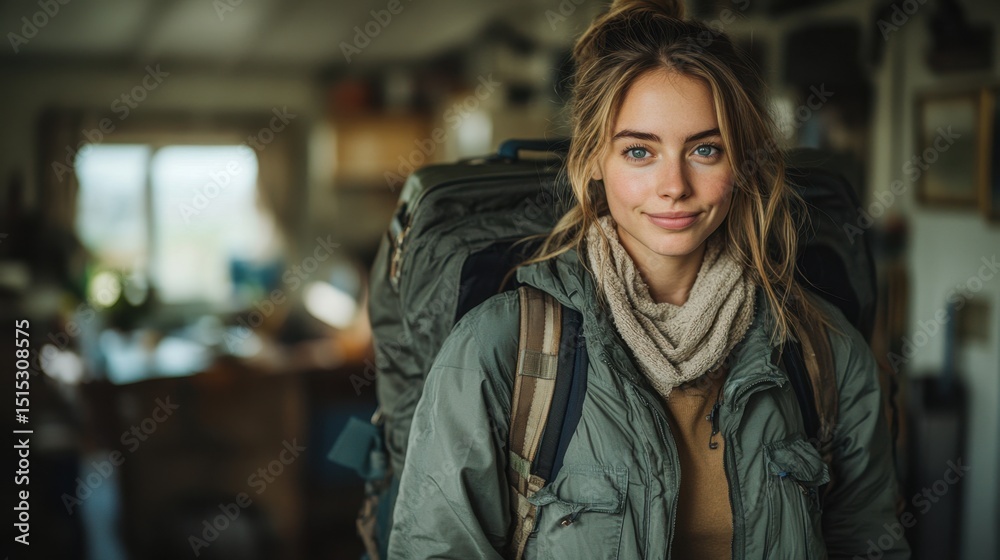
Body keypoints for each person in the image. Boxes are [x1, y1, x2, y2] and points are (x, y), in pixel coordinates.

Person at [387, 0, 910, 558]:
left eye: (705, 150)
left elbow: (869, 543)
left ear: (744, 164)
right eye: (640, 151)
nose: (674, 185)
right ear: (591, 161)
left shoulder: (824, 353)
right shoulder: (497, 351)